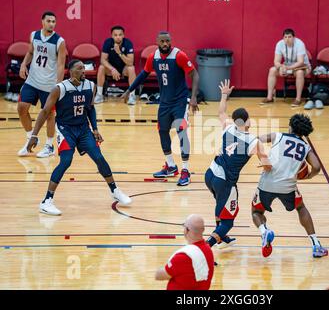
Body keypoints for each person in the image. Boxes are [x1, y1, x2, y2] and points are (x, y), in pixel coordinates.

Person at [26, 59, 132, 216]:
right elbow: (45, 112)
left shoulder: (90, 86)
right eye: (80, 69)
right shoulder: (59, 89)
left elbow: (91, 109)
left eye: (84, 69)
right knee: (66, 161)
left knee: (99, 157)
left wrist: (95, 129)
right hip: (65, 129)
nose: (84, 71)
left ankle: (114, 190)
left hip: (83, 130)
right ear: (71, 72)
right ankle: (46, 201)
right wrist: (34, 135)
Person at [121, 31, 199, 186]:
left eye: (168, 41)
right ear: (157, 41)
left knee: (181, 132)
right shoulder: (153, 57)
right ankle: (171, 166)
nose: (165, 44)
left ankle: (186, 170)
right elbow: (143, 75)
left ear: (171, 41)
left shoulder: (179, 55)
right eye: (162, 41)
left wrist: (194, 97)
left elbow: (194, 75)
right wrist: (129, 90)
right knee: (162, 131)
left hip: (180, 101)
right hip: (164, 102)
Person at [204, 80, 272, 249]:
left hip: (210, 174)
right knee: (228, 221)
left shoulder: (228, 127)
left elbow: (221, 112)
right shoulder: (254, 142)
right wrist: (270, 164)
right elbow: (267, 165)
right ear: (247, 121)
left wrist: (224, 95)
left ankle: (222, 236)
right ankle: (207, 246)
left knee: (221, 205)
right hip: (225, 182)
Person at [251, 114, 328, 258]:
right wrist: (309, 176)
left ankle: (264, 231)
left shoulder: (277, 136)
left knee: (256, 212)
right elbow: (317, 167)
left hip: (267, 183)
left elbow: (255, 140)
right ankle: (316, 244)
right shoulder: (305, 146)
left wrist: (264, 158)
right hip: (289, 187)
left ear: (290, 126)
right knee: (301, 208)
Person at [17, 11, 66, 158]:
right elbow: (31, 52)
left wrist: (58, 86)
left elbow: (61, 65)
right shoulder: (34, 35)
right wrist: (23, 65)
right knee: (21, 108)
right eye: (49, 21)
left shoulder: (59, 41)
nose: (52, 24)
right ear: (42, 22)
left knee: (50, 115)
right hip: (32, 81)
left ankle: (49, 146)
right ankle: (30, 139)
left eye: (54, 22)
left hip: (49, 84)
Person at [155, 214, 214, 290]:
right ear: (203, 230)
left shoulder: (183, 256)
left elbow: (159, 276)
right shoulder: (208, 250)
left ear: (186, 230)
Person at [261, 28, 311, 107]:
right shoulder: (279, 44)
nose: (287, 39)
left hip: (302, 66)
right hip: (287, 66)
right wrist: (280, 67)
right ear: (283, 38)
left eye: (289, 37)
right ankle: (269, 97)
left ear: (294, 38)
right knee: (272, 70)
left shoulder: (300, 43)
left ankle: (298, 99)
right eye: (285, 37)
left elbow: (300, 62)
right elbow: (276, 61)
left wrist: (287, 68)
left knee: (299, 73)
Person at [94, 25, 137, 105]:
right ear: (112, 36)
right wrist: (112, 69)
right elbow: (103, 60)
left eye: (120, 35)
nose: (118, 37)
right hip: (111, 68)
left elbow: (130, 62)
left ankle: (132, 96)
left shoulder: (128, 43)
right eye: (115, 35)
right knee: (101, 67)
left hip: (124, 68)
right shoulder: (108, 42)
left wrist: (119, 53)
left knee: (131, 68)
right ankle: (99, 95)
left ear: (123, 35)